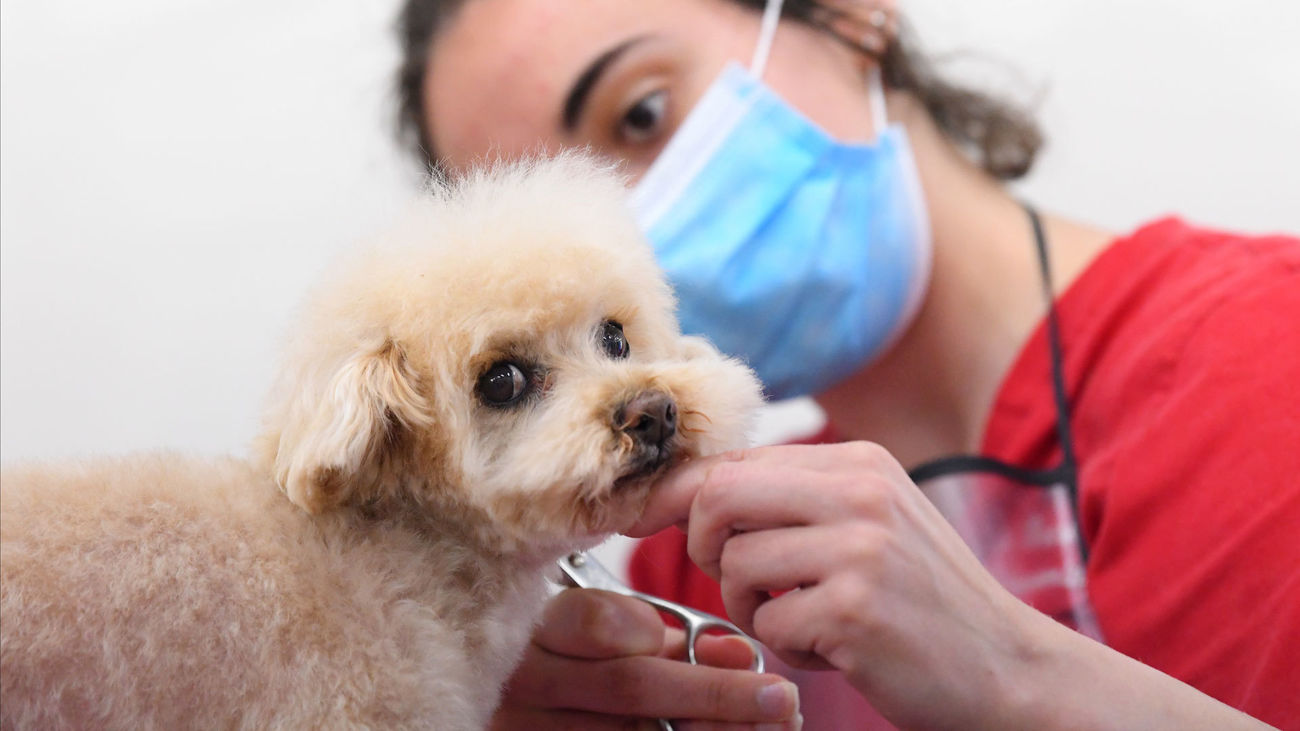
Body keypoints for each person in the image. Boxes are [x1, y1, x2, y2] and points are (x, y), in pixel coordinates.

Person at [394, 0, 1300, 728]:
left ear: (854, 16)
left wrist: (1017, 676)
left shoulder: (1267, 359)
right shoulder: (695, 569)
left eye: (641, 114)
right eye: (560, 212)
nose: (627, 231)